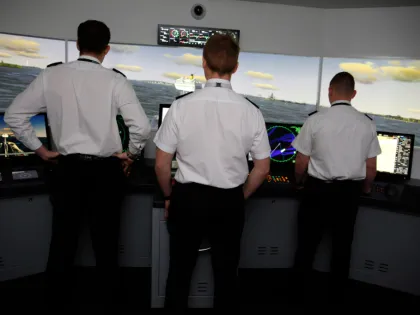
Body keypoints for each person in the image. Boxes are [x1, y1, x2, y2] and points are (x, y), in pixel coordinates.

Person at [4, 20, 151, 305]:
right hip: (106, 172)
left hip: (66, 170)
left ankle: (55, 303)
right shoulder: (116, 80)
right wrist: (130, 155)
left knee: (62, 243)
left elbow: (13, 116)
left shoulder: (51, 76)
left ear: (77, 44)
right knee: (106, 246)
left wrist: (42, 151)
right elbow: (142, 128)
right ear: (107, 50)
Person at [154, 34, 271, 309]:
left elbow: (161, 164)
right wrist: (239, 196)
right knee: (226, 276)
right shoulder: (252, 112)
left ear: (203, 63)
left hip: (187, 199)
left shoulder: (181, 106)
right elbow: (263, 168)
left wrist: (169, 196)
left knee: (179, 273)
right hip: (229, 202)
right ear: (236, 67)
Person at [290, 71, 381, 302]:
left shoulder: (315, 120)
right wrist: (366, 189)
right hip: (349, 195)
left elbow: (301, 162)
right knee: (342, 249)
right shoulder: (367, 124)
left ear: (329, 91)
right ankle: (337, 298)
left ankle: (298, 295)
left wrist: (299, 184)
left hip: (317, 192)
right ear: (354, 94)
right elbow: (371, 168)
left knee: (306, 246)